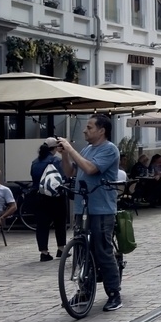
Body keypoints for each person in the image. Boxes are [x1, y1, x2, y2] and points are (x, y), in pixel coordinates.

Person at [56, 115, 121, 310]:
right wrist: (65, 155)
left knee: (102, 251)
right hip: (82, 207)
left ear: (102, 131)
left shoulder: (110, 149)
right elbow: (70, 173)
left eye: (90, 127)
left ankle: (114, 293)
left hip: (101, 208)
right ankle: (84, 290)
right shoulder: (86, 149)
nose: (85, 130)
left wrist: (70, 149)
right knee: (81, 251)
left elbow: (91, 169)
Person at [31, 138, 67, 261]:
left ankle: (44, 252)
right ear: (55, 148)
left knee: (41, 225)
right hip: (57, 197)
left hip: (39, 196)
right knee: (60, 223)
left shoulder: (35, 162)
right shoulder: (56, 161)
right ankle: (61, 249)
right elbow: (63, 177)